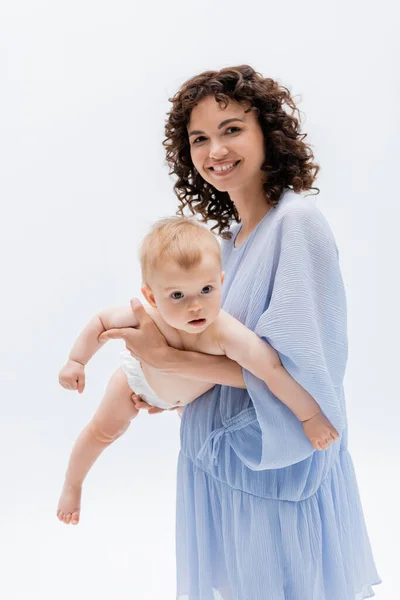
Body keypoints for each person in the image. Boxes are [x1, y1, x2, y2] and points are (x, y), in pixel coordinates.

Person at [101, 66, 381, 599]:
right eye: (200, 138)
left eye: (231, 129)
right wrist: (176, 388)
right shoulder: (226, 244)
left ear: (267, 134)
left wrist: (171, 359)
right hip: (220, 464)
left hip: (271, 471)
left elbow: (299, 368)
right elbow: (224, 351)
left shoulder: (296, 225)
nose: (215, 150)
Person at [57, 216, 338, 526]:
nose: (196, 306)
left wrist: (310, 417)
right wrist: (76, 360)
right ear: (152, 296)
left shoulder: (224, 332)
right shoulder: (144, 315)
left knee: (205, 450)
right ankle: (73, 483)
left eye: (206, 289)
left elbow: (272, 370)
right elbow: (101, 321)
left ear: (221, 281)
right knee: (103, 431)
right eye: (177, 295)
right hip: (137, 380)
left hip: (190, 401)